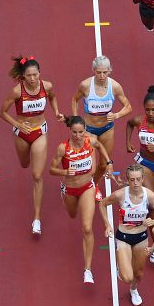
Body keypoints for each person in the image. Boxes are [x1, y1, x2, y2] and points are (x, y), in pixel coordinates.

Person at [0, 55, 65, 235]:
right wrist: (17, 124)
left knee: (37, 175)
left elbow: (52, 97)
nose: (32, 78)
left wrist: (57, 112)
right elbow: (2, 112)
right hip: (21, 133)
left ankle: (36, 219)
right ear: (23, 76)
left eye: (35, 74)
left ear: (39, 73)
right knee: (24, 164)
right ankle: (27, 157)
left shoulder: (47, 86)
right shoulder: (17, 92)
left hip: (39, 132)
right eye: (28, 75)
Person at [50, 116, 116, 283]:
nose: (78, 135)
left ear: (85, 130)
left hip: (87, 187)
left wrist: (108, 162)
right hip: (70, 189)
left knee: (87, 227)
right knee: (72, 215)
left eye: (81, 132)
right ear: (69, 131)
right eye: (75, 132)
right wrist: (65, 173)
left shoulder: (90, 141)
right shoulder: (62, 148)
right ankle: (63, 192)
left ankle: (87, 270)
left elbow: (100, 145)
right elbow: (52, 169)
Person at [99, 163, 154, 305]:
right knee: (127, 277)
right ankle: (120, 265)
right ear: (128, 179)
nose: (135, 183)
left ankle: (133, 290)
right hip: (123, 237)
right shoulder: (121, 195)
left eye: (138, 179)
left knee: (138, 274)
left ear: (142, 179)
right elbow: (102, 204)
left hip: (141, 237)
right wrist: (107, 225)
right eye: (132, 179)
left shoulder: (149, 196)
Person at [71, 55, 132, 190]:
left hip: (107, 129)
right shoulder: (86, 85)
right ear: (94, 70)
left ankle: (93, 185)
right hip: (89, 129)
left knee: (103, 165)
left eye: (105, 72)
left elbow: (128, 106)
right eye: (99, 72)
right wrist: (76, 119)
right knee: (90, 165)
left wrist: (116, 115)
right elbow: (74, 100)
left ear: (110, 70)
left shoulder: (115, 86)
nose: (102, 75)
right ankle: (82, 185)